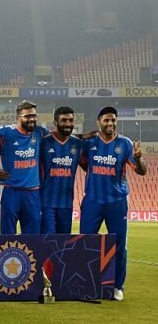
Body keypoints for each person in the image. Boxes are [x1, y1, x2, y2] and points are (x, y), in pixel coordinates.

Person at [80, 106, 147, 301]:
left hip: (117, 202)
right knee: (85, 243)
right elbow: (83, 163)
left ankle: (117, 286)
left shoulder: (125, 143)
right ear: (98, 122)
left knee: (119, 245)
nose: (110, 123)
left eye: (113, 120)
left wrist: (138, 159)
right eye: (106, 120)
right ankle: (86, 284)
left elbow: (141, 171)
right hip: (92, 201)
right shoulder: (90, 143)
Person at [0, 100, 48, 234]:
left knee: (32, 237)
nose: (32, 119)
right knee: (7, 236)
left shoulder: (40, 133)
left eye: (34, 116)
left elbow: (60, 137)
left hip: (32, 192)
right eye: (27, 116)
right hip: (11, 191)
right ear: (17, 118)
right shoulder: (5, 134)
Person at [39, 106, 84, 234]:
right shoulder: (43, 142)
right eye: (64, 120)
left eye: (70, 120)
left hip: (67, 204)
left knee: (63, 242)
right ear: (55, 123)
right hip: (46, 203)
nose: (68, 123)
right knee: (48, 241)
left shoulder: (78, 144)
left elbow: (89, 166)